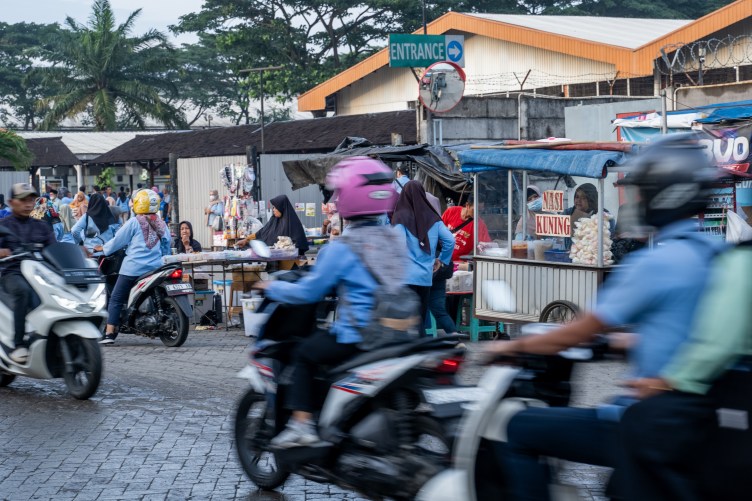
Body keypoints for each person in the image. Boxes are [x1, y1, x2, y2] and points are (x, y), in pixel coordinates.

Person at [483, 134, 725, 501]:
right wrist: (621, 343)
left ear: (661, 195)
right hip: (700, 421)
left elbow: (578, 331)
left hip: (646, 421)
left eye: (641, 192)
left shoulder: (654, 264)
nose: (637, 201)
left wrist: (515, 345)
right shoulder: (717, 253)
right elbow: (689, 333)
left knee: (516, 428)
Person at [254, 156, 406, 448]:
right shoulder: (394, 238)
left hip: (358, 335)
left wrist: (272, 288)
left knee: (304, 354)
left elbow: (309, 293)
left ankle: (302, 425)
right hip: (397, 335)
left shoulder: (345, 246)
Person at [618, 239, 752, 501]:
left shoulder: (742, 260)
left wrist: (665, 383)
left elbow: (718, 345)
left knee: (640, 422)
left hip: (734, 389)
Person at [94, 189, 170, 345]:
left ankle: (109, 333)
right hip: (155, 267)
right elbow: (167, 243)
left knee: (115, 299)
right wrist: (161, 256)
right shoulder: (161, 222)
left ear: (138, 204)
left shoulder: (134, 222)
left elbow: (117, 241)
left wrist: (103, 248)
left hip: (133, 269)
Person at [0, 184, 57, 363]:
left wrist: (77, 251)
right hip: (12, 273)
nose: (27, 204)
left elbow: (54, 249)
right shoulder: (4, 225)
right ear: (11, 202)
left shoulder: (42, 226)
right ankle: (18, 344)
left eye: (31, 199)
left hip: (41, 274)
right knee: (23, 291)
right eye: (23, 200)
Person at [391, 180, 454, 337]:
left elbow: (397, 246)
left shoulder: (400, 217)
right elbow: (450, 241)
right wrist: (442, 260)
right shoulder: (433, 218)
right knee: (420, 318)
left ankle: (410, 352)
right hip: (426, 278)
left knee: (404, 321)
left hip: (405, 278)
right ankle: (421, 348)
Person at [236, 195, 310, 256]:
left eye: (275, 207)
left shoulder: (293, 223)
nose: (273, 210)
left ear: (282, 207)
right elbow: (262, 232)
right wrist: (246, 240)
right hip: (273, 260)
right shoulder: (274, 220)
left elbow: (299, 245)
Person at [442, 193, 491, 262]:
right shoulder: (451, 212)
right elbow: (437, 232)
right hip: (441, 258)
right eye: (475, 210)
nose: (478, 213)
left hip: (458, 263)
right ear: (467, 205)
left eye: (480, 211)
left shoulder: (480, 225)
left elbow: (486, 247)